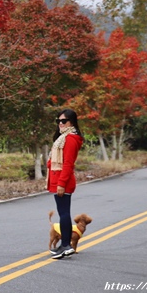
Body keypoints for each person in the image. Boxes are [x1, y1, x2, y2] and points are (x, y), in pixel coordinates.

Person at [47, 108, 84, 259]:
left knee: (64, 213)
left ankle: (66, 245)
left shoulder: (70, 139)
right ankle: (65, 245)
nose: (60, 124)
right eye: (58, 121)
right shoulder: (63, 138)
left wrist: (61, 183)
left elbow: (68, 164)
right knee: (64, 213)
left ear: (72, 122)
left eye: (64, 121)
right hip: (59, 179)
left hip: (64, 181)